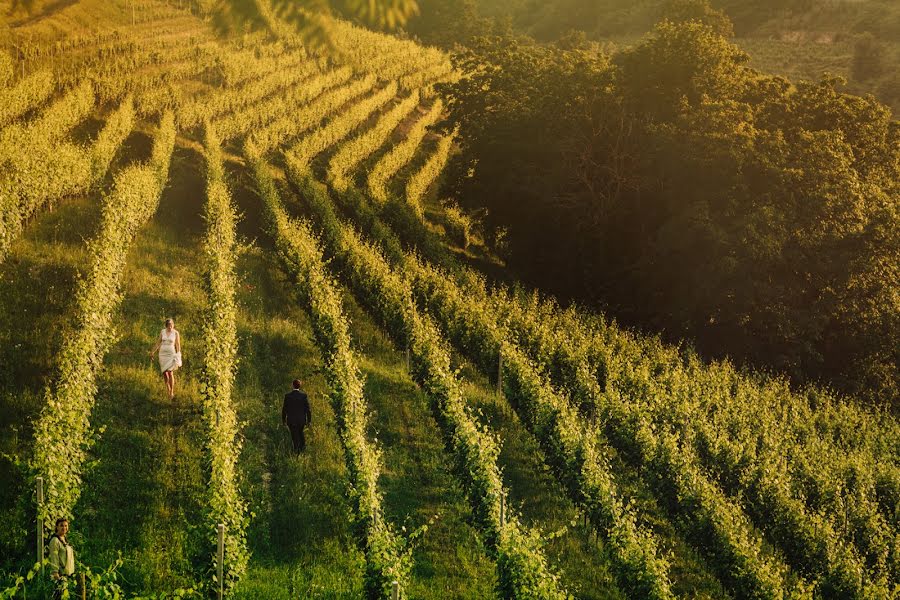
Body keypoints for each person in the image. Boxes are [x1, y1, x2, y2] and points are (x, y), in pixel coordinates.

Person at [149, 318, 182, 400]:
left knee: (170, 372)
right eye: (168, 325)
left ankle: (172, 392)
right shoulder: (163, 331)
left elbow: (177, 345)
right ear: (166, 326)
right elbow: (158, 342)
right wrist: (153, 351)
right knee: (164, 373)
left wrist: (178, 355)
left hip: (171, 354)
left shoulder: (176, 333)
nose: (170, 327)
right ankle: (168, 389)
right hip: (162, 354)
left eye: (171, 325)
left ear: (173, 325)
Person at [48, 517, 75, 599]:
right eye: (61, 525)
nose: (64, 528)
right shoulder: (55, 540)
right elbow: (54, 557)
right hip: (60, 575)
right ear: (57, 527)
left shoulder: (65, 539)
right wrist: (55, 572)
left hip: (68, 575)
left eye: (66, 526)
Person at [282, 379, 312, 454]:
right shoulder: (303, 396)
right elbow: (308, 409)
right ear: (300, 386)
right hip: (301, 420)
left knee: (294, 435)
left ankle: (297, 451)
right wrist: (309, 420)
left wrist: (283, 420)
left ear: (292, 385)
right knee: (300, 433)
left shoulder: (288, 396)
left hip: (291, 420)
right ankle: (302, 449)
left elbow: (284, 409)